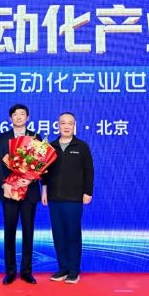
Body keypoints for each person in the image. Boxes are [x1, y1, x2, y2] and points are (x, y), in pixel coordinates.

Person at [42, 112, 94, 284]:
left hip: (74, 198)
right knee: (58, 234)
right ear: (58, 125)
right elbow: (44, 172)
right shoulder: (51, 147)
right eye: (63, 123)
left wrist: (88, 192)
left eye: (70, 123)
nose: (66, 126)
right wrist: (44, 190)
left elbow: (89, 171)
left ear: (74, 126)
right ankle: (63, 268)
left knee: (72, 234)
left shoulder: (82, 146)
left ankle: (74, 270)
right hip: (54, 197)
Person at [0, 104, 41, 285]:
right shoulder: (3, 137)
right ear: (10, 118)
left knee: (28, 232)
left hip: (29, 191)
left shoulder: (35, 137)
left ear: (27, 117)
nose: (19, 117)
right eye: (15, 114)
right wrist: (4, 184)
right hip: (9, 191)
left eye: (22, 114)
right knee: (10, 231)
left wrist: (29, 179)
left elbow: (40, 164)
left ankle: (27, 271)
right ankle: (10, 271)